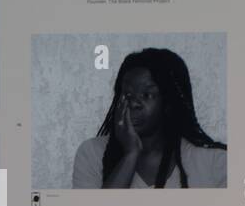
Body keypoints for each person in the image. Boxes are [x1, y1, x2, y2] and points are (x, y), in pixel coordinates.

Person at [72, 48, 227, 189]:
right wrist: (130, 154)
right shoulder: (92, 154)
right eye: (127, 94)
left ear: (169, 102)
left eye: (146, 95)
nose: (133, 103)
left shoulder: (214, 163)